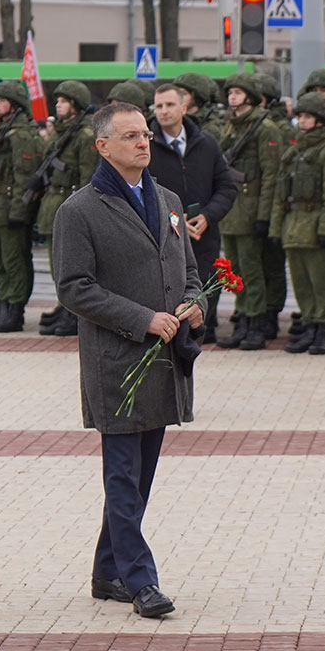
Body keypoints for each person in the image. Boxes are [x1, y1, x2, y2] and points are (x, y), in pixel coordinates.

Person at [52, 101, 203, 620]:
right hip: (117, 360)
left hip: (164, 360)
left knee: (139, 478)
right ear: (102, 147)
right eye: (131, 136)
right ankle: (141, 581)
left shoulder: (168, 200)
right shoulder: (79, 210)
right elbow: (74, 287)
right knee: (122, 475)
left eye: (145, 134)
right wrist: (142, 319)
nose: (144, 142)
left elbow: (188, 272)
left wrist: (195, 305)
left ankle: (107, 571)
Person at [148, 83, 237, 342]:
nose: (163, 111)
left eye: (170, 105)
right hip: (164, 238)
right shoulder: (146, 145)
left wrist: (208, 216)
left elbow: (227, 187)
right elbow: (142, 192)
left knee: (203, 297)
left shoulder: (206, 144)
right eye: (159, 106)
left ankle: (202, 334)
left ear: (184, 108)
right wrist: (173, 220)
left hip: (203, 237)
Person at [211, 74, 284, 351]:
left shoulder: (265, 129)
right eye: (230, 92)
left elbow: (270, 176)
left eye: (238, 93)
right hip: (231, 210)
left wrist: (264, 217)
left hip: (251, 210)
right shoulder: (231, 126)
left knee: (252, 270)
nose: (232, 97)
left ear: (250, 97)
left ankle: (255, 324)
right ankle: (242, 320)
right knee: (234, 270)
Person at [271, 92, 325, 355]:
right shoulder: (295, 151)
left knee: (322, 283)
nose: (301, 120)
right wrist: (275, 228)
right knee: (302, 284)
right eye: (300, 115)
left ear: (321, 120)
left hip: (315, 227)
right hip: (293, 226)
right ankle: (310, 325)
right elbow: (280, 194)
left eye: (307, 116)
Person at [0, 80, 45, 333]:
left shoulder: (20, 135)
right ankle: (3, 304)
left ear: (15, 105)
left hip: (9, 207)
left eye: (2, 101)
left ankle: (14, 310)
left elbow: (23, 177)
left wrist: (18, 211)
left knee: (13, 260)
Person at [33, 80, 98, 339]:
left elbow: (87, 177)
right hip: (53, 202)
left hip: (71, 201)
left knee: (70, 264)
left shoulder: (85, 135)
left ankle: (74, 312)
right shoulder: (60, 133)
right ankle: (64, 306)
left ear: (76, 104)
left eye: (63, 101)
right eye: (57, 100)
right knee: (56, 265)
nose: (57, 105)